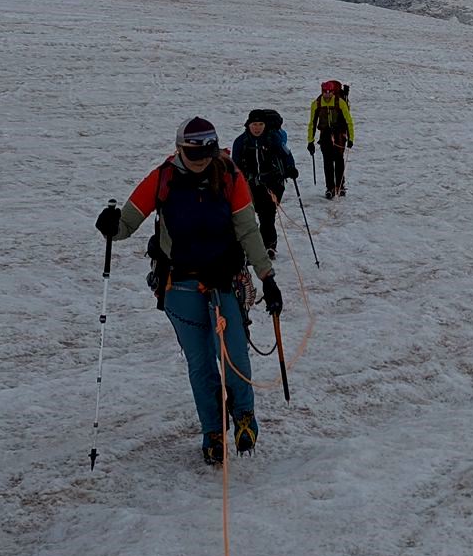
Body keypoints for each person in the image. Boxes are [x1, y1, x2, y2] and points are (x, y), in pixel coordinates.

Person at [95, 117, 284, 466]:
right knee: (200, 365)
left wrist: (267, 276)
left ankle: (244, 417)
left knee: (234, 357)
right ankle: (212, 432)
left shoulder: (230, 175)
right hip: (179, 285)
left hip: (224, 281)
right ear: (180, 149)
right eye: (193, 154)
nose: (200, 162)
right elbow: (126, 223)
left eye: (205, 155)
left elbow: (247, 229)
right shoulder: (162, 177)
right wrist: (110, 226)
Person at [231, 108, 298, 260]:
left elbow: (286, 154)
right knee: (249, 218)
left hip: (273, 184)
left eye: (261, 124)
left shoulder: (273, 138)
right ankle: (257, 247)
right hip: (249, 185)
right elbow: (234, 165)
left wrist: (291, 168)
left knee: (266, 216)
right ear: (248, 125)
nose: (257, 127)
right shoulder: (241, 142)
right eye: (255, 124)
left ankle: (268, 247)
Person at [309, 80, 355, 199]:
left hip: (339, 135)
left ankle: (340, 186)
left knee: (339, 160)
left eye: (330, 92)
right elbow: (312, 124)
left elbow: (349, 121)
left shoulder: (340, 103)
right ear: (322, 91)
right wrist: (310, 141)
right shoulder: (317, 104)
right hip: (325, 136)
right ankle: (330, 188)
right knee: (327, 162)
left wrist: (351, 138)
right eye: (325, 92)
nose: (327, 94)